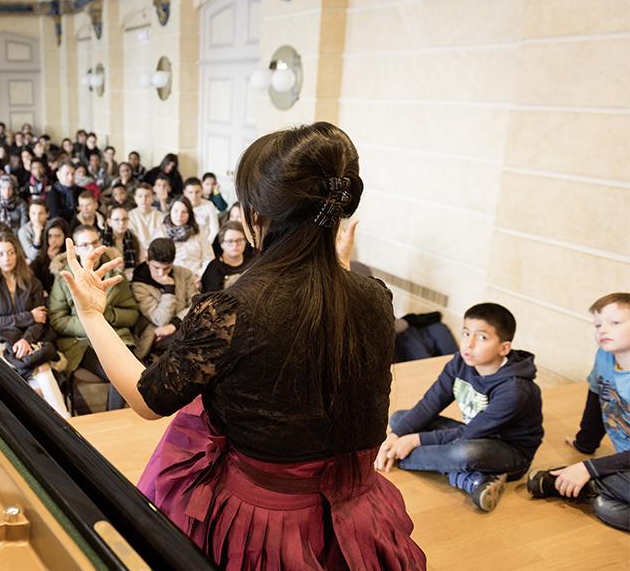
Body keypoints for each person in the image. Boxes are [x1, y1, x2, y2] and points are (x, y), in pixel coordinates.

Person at [55, 122, 424, 569]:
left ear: (256, 217)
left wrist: (92, 313)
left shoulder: (232, 311)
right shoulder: (376, 298)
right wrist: (339, 265)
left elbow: (147, 399)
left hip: (269, 525)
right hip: (355, 515)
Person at [376, 303, 543, 512]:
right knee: (399, 419)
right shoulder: (461, 362)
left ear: (504, 348)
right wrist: (395, 436)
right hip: (475, 434)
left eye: (482, 337)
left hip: (509, 451)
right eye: (466, 333)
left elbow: (469, 434)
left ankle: (461, 474)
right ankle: (470, 477)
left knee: (463, 453)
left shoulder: (515, 389)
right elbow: (431, 403)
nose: (469, 344)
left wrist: (411, 441)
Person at [527, 293, 630, 532]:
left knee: (608, 498)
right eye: (598, 325)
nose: (603, 330)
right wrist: (585, 443)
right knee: (607, 508)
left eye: (615, 323)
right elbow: (597, 397)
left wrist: (588, 468)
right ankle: (593, 487)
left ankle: (585, 484)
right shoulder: (605, 356)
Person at [0, 232, 67, 418]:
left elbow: (40, 320)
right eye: (1, 254)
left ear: (17, 254)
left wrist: (26, 340)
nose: (6, 258)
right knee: (29, 383)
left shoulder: (33, 283)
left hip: (31, 341)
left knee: (42, 368)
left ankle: (67, 421)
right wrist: (29, 316)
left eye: (10, 252)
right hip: (3, 345)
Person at [50, 224, 138, 412]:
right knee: (118, 375)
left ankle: (114, 420)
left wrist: (107, 315)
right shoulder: (65, 277)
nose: (91, 248)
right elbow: (57, 319)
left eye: (95, 242)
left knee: (125, 375)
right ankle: (112, 420)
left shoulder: (115, 273)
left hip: (117, 338)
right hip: (82, 343)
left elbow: (132, 314)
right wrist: (90, 319)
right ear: (76, 249)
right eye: (84, 245)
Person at [130, 238, 198, 358]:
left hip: (182, 326)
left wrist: (174, 325)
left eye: (166, 268)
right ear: (147, 260)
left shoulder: (185, 274)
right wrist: (169, 288)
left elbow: (196, 304)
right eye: (156, 268)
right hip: (156, 334)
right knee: (191, 341)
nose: (161, 273)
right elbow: (160, 319)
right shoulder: (139, 284)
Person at [164, 197, 213, 279]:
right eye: (176, 211)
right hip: (170, 277)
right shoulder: (161, 231)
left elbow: (209, 258)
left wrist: (199, 275)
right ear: (170, 212)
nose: (179, 215)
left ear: (189, 214)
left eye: (184, 212)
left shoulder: (199, 232)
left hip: (195, 276)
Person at [201, 221, 252, 293]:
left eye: (239, 240)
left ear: (245, 241)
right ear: (222, 244)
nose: (235, 245)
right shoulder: (214, 268)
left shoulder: (253, 261)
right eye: (230, 241)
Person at [101, 205, 141, 277]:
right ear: (109, 222)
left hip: (130, 275)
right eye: (117, 220)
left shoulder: (133, 239)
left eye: (125, 219)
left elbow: (139, 261)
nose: (122, 223)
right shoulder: (101, 239)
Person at [30, 218, 67, 294]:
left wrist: (55, 260)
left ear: (65, 236)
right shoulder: (42, 256)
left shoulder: (70, 255)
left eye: (57, 236)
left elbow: (64, 281)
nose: (53, 240)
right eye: (50, 236)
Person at [183, 177, 219, 243]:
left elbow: (214, 229)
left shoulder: (209, 205)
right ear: (185, 193)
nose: (194, 195)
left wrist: (206, 244)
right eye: (190, 192)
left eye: (197, 192)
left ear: (202, 191)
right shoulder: (180, 206)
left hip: (206, 242)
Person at [128, 183, 163, 249]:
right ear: (135, 198)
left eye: (147, 196)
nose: (144, 199)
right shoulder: (130, 216)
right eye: (140, 196)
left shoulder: (160, 216)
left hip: (155, 249)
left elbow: (160, 237)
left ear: (152, 198)